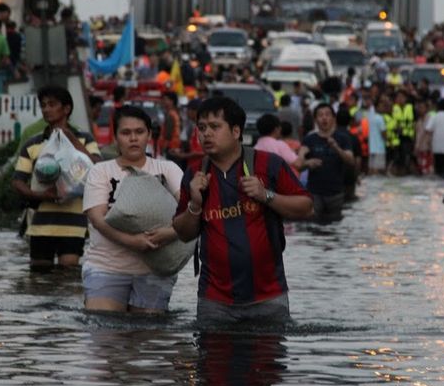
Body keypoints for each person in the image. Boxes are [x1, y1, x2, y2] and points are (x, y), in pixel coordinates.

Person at [172, 97, 313, 325]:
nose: (206, 134)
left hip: (268, 296)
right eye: (202, 128)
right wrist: (195, 205)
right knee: (213, 360)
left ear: (236, 131)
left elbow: (306, 207)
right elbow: (183, 233)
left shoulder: (269, 164)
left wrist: (265, 195)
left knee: (267, 360)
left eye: (215, 127)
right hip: (214, 300)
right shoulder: (195, 174)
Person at [82, 106, 183, 313]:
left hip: (156, 269)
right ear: (116, 137)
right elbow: (97, 219)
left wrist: (168, 233)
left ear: (149, 135)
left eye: (139, 132)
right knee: (105, 330)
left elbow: (188, 213)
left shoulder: (168, 169)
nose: (133, 138)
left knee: (148, 336)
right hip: (106, 266)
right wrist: (133, 242)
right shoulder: (100, 171)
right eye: (126, 133)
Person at [12, 86, 101, 269]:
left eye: (52, 105)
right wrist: (42, 196)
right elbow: (17, 181)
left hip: (74, 224)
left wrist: (72, 140)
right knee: (39, 279)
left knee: (67, 278)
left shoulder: (85, 139)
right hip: (40, 224)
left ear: (66, 109)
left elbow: (98, 168)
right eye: (43, 105)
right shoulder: (33, 143)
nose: (46, 109)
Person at [298, 103, 355, 223]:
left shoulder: (342, 138)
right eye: (320, 115)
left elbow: (351, 161)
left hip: (336, 193)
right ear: (315, 120)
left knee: (335, 228)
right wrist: (308, 163)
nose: (324, 118)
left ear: (333, 118)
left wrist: (336, 148)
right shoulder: (309, 139)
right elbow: (298, 165)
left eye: (327, 115)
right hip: (314, 193)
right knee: (313, 226)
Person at [159, 91, 182, 162]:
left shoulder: (170, 115)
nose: (163, 102)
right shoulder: (176, 113)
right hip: (175, 148)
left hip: (170, 149)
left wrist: (163, 149)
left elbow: (168, 135)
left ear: (172, 101)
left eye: (166, 99)